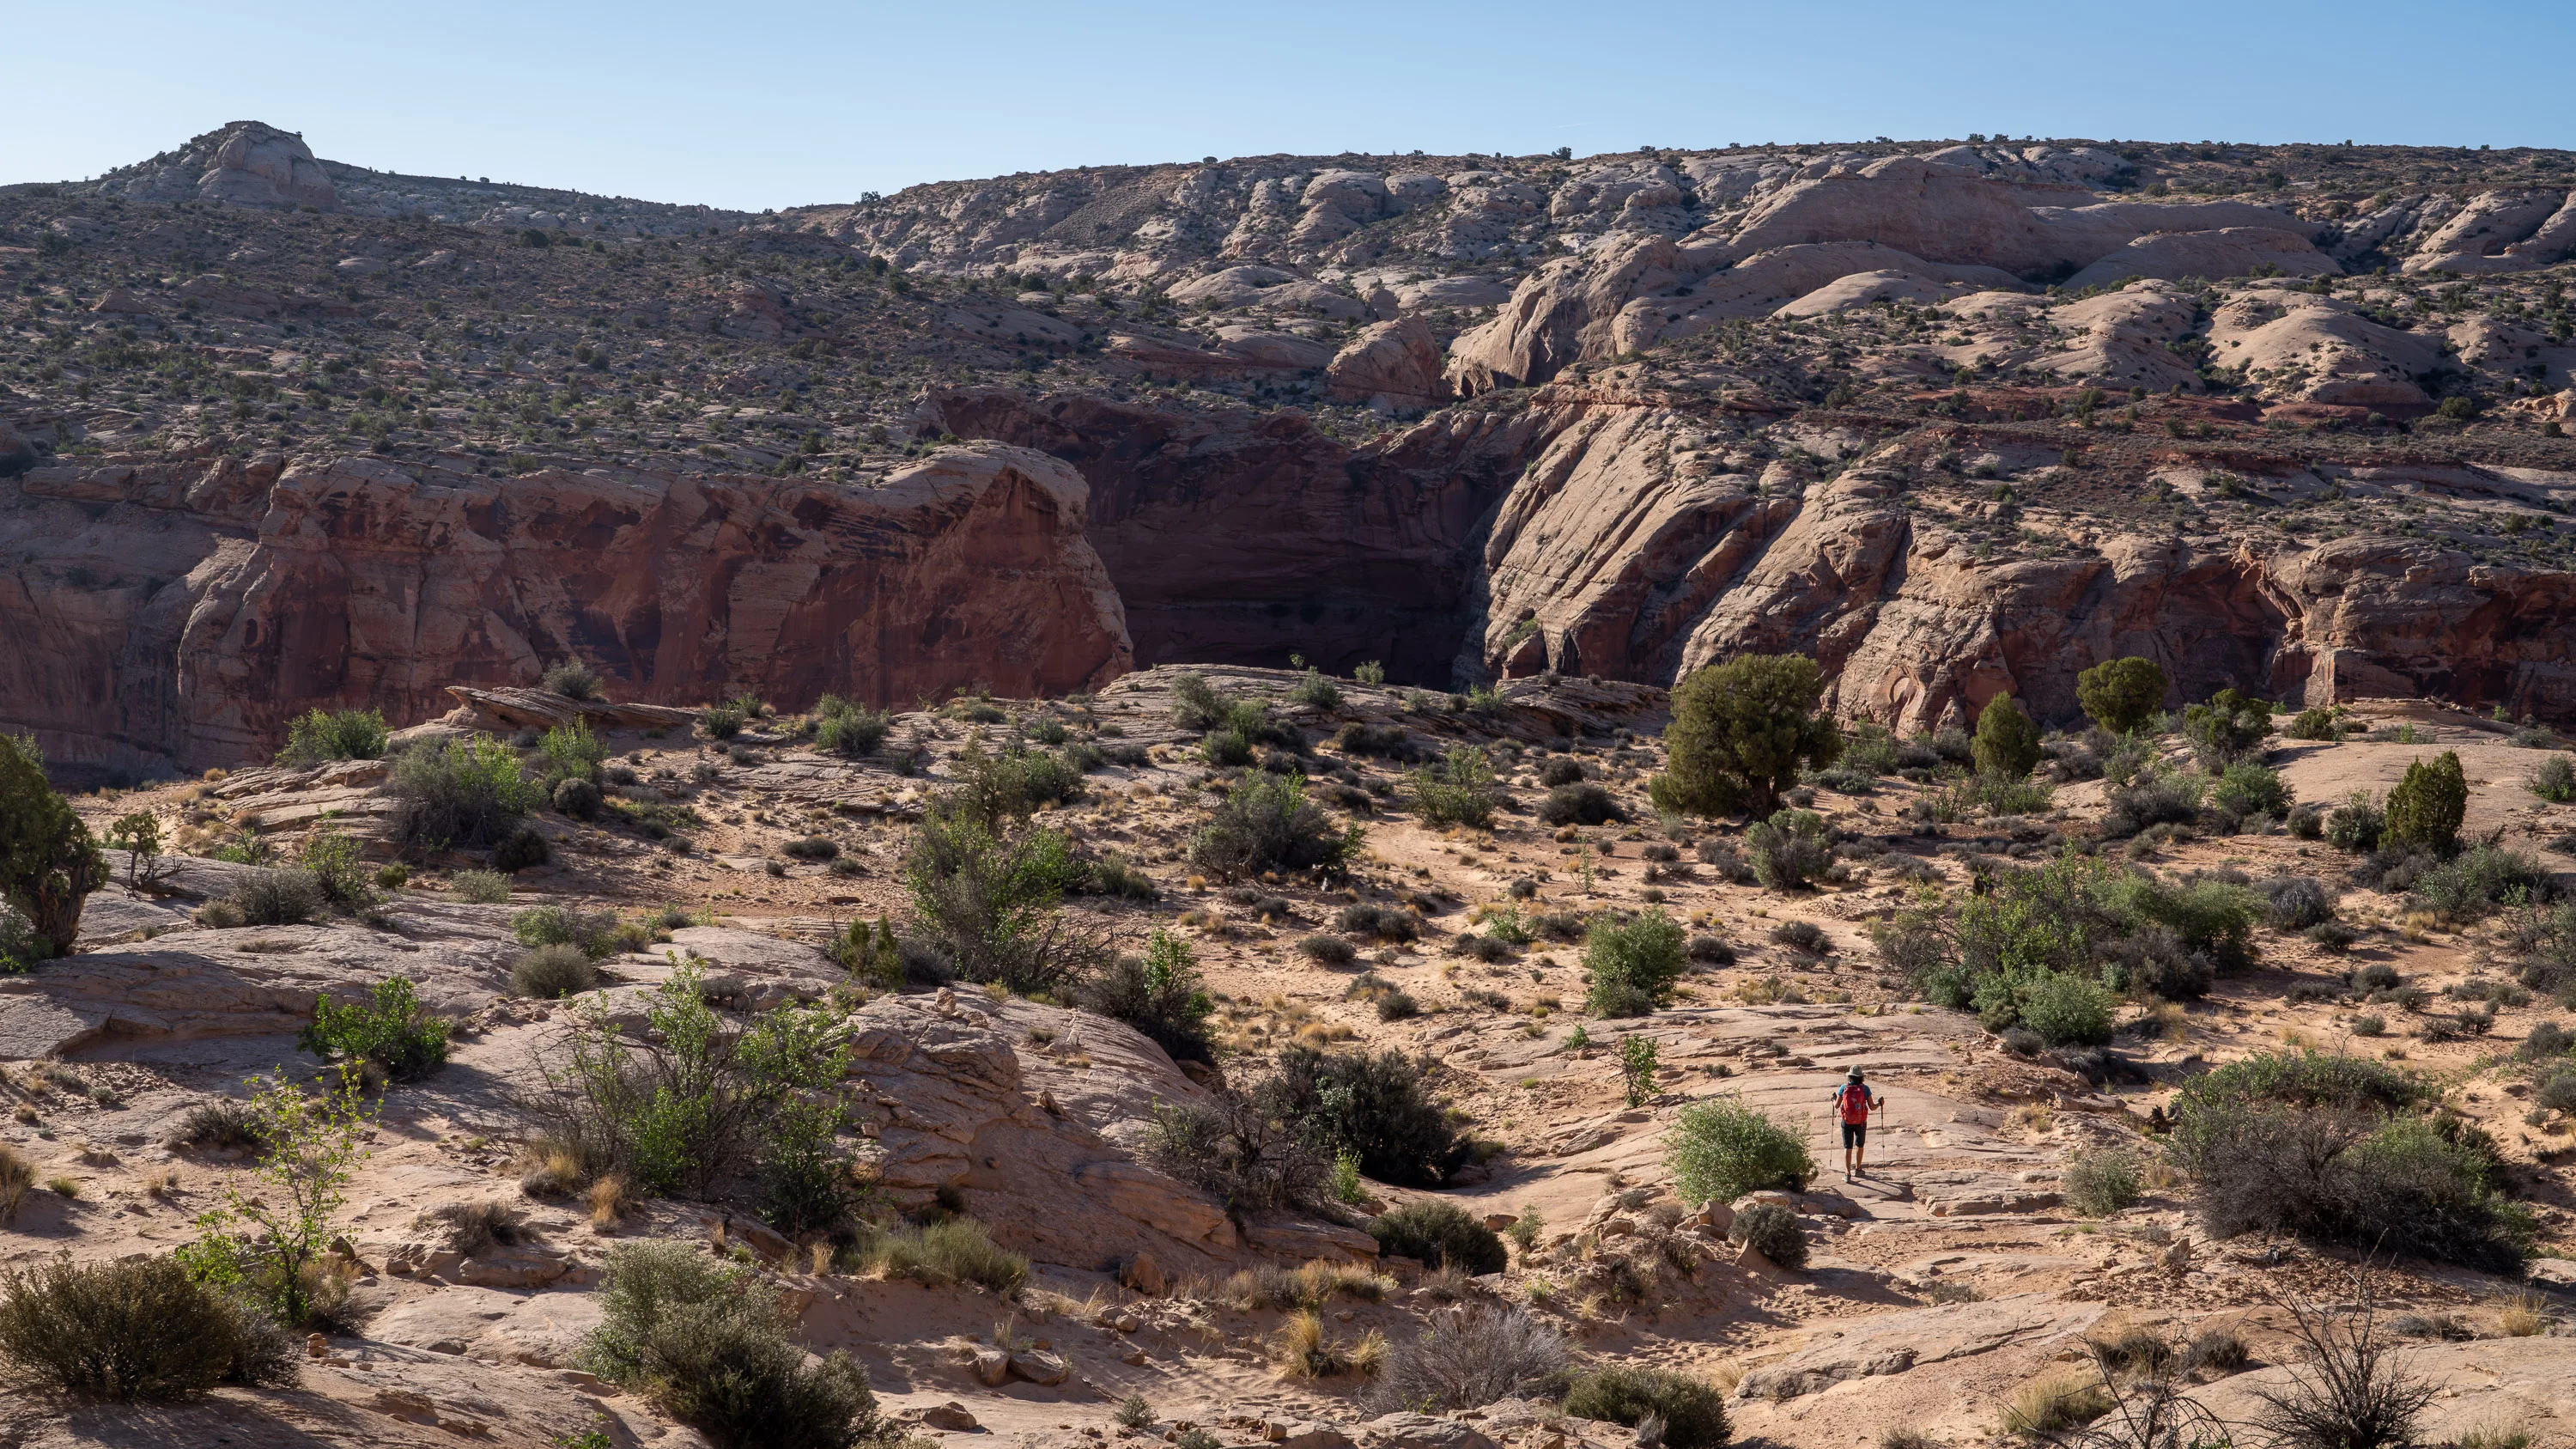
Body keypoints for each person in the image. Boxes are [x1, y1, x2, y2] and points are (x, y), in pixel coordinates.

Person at [1830, 1067, 1880, 1180]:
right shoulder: (1865, 1089)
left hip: (1846, 1121)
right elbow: (1872, 1107)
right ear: (1861, 1077)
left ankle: (1847, 1174)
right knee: (1860, 1145)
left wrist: (1833, 1099)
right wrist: (1880, 1103)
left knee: (1848, 1147)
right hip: (1861, 1122)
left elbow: (1837, 1105)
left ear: (1850, 1076)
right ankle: (1858, 1169)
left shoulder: (1843, 1088)